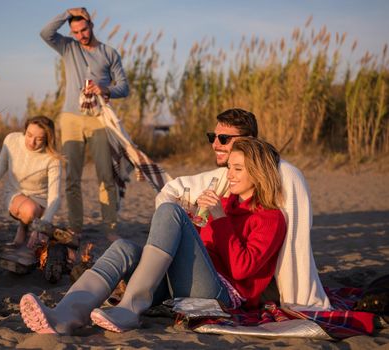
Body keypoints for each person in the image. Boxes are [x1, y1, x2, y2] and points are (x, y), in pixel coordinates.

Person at [19, 137, 287, 335]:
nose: (229, 175)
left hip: (221, 296)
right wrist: (193, 224)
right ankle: (65, 315)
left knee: (170, 210)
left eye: (238, 169)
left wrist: (219, 220)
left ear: (259, 172)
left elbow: (242, 270)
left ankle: (129, 309)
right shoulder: (226, 205)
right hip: (185, 283)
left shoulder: (271, 218)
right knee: (124, 247)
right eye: (230, 167)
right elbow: (204, 249)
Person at [155, 108, 331, 311]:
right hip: (219, 276)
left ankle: (137, 299)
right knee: (130, 249)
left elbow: (296, 245)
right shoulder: (226, 181)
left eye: (223, 138)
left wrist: (298, 299)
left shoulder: (287, 177)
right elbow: (173, 190)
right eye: (213, 137)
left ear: (249, 140)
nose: (215, 144)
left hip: (249, 285)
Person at [40, 7, 129, 237]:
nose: (81, 35)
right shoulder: (69, 47)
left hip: (99, 119)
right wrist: (65, 13)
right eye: (76, 31)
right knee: (71, 177)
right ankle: (75, 227)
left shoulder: (109, 53)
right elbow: (45, 33)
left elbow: (124, 87)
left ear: (91, 24)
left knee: (106, 175)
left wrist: (106, 89)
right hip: (70, 118)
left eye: (84, 29)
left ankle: (110, 228)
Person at [0, 116, 63, 247]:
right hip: (15, 192)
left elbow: (55, 197)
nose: (31, 142)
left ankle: (35, 227)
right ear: (25, 130)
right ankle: (23, 227)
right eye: (29, 135)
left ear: (47, 139)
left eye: (39, 139)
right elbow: (2, 162)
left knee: (42, 236)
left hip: (41, 200)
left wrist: (42, 226)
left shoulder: (52, 159)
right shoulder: (12, 140)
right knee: (29, 211)